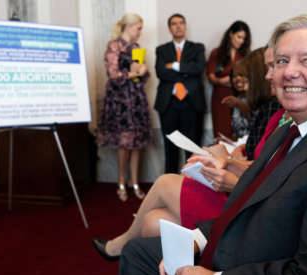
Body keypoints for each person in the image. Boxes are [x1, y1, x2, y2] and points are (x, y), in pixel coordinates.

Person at [115, 14, 307, 275]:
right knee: (138, 253)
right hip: (234, 248)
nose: (288, 72)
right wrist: (196, 238)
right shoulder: (291, 128)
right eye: (281, 61)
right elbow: (246, 202)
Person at [92, 47, 278, 261]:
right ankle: (167, 271)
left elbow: (262, 170)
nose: (269, 75)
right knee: (152, 221)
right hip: (240, 190)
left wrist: (229, 161)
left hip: (242, 203)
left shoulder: (276, 112)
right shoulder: (271, 111)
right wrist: (231, 157)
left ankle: (120, 246)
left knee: (163, 182)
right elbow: (256, 157)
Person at [97, 13, 152, 201]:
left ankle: (134, 182)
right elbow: (113, 74)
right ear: (129, 27)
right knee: (124, 142)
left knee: (136, 143)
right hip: (120, 100)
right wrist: (132, 72)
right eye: (138, 28)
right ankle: (121, 181)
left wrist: (143, 71)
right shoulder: (114, 45)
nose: (140, 32)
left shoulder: (136, 47)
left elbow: (141, 77)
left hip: (136, 99)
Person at [154, 13, 206, 174]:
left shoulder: (197, 48)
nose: (178, 26)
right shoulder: (162, 50)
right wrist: (186, 70)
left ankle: (191, 186)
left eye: (181, 23)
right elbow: (161, 72)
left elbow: (198, 68)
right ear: (170, 28)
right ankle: (169, 184)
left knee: (191, 149)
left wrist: (175, 65)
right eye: (174, 24)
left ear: (185, 26)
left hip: (191, 102)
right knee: (170, 149)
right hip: (168, 104)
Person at [207, 21, 251, 139]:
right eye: (239, 37)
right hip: (220, 98)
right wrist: (222, 81)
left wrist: (235, 81)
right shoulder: (217, 53)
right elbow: (211, 76)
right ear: (231, 34)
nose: (241, 41)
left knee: (240, 132)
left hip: (239, 96)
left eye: (244, 38)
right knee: (222, 133)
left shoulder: (245, 55)